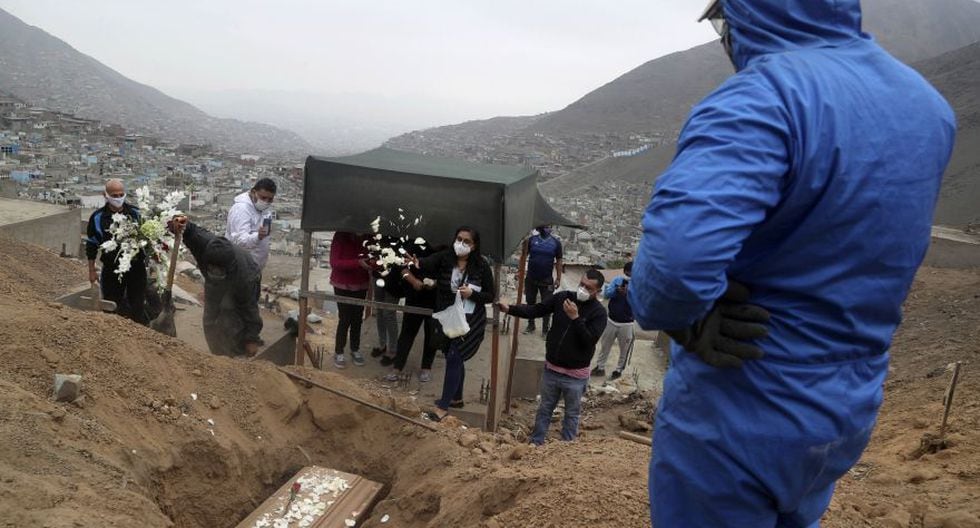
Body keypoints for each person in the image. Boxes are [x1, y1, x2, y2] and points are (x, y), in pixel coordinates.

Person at [630, 1, 956, 526]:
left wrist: (680, 314)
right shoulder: (927, 105)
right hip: (844, 407)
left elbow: (674, 265)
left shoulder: (764, 98)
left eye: (724, 20)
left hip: (741, 402)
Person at [499, 269, 607, 445]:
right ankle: (536, 442)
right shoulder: (563, 298)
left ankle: (566, 449)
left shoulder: (599, 313)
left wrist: (575, 318)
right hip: (552, 370)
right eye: (581, 284)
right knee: (545, 409)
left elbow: (589, 340)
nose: (583, 289)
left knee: (571, 414)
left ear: (598, 291)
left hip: (575, 376)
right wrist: (510, 309)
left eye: (588, 288)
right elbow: (536, 310)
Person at [412, 227, 495, 421]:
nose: (461, 244)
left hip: (470, 322)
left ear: (474, 246)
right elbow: (424, 264)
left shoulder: (481, 266)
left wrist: (472, 294)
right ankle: (456, 398)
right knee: (455, 357)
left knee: (454, 357)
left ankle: (443, 407)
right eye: (459, 239)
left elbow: (490, 296)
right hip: (449, 318)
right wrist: (414, 263)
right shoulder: (445, 258)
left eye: (467, 241)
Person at [172, 215, 263, 358]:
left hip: (244, 277)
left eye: (218, 271)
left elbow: (249, 308)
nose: (215, 272)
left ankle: (235, 352)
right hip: (213, 285)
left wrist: (252, 338)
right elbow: (189, 228)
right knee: (210, 315)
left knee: (233, 317)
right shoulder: (203, 244)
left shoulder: (244, 277)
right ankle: (217, 356)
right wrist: (179, 223)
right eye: (212, 269)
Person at [85, 178, 147, 324]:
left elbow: (147, 238)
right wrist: (91, 270)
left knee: (137, 305)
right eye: (114, 195)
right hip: (112, 269)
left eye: (121, 194)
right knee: (111, 305)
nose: (118, 198)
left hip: (136, 268)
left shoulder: (136, 214)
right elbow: (92, 245)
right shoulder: (98, 218)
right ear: (105, 195)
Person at [382, 243, 441, 383]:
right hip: (415, 296)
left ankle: (426, 368)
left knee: (431, 334)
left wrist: (436, 283)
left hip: (436, 299)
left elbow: (451, 273)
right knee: (407, 332)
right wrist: (414, 281)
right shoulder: (416, 244)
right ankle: (397, 367)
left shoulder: (447, 252)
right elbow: (402, 267)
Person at [329, 231, 370, 368]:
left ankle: (355, 349)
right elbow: (334, 262)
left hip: (361, 283)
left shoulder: (367, 236)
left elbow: (371, 256)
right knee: (345, 318)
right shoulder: (341, 235)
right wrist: (357, 263)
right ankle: (339, 351)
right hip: (343, 283)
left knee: (357, 318)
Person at [592, 262, 634, 380]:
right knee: (605, 345)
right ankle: (600, 367)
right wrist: (616, 290)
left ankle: (619, 370)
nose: (628, 277)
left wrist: (629, 293)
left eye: (630, 275)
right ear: (624, 272)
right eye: (627, 274)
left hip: (627, 323)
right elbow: (606, 294)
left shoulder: (639, 285)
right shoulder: (617, 280)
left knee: (624, 349)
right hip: (611, 320)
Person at [226, 177, 276, 270]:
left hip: (253, 267)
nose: (266, 202)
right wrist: (258, 236)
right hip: (239, 267)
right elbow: (239, 241)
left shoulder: (264, 209)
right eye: (263, 198)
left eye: (270, 199)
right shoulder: (241, 210)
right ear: (253, 192)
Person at [523, 226, 563, 336]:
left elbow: (559, 261)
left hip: (547, 281)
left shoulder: (556, 243)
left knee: (547, 305)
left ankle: (545, 330)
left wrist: (558, 278)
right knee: (530, 302)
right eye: (545, 226)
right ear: (539, 227)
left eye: (549, 226)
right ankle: (531, 325)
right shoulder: (531, 240)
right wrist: (520, 272)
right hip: (531, 278)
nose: (547, 228)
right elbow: (523, 256)